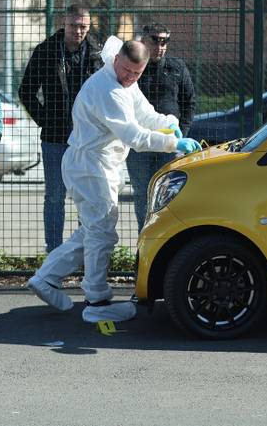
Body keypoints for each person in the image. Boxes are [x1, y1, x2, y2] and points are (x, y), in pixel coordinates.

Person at [27, 37, 202, 323]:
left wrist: (169, 124)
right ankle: (96, 300)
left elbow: (144, 113)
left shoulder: (124, 83)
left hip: (98, 165)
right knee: (102, 233)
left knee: (93, 230)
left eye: (137, 74)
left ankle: (46, 278)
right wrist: (173, 145)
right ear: (117, 59)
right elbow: (134, 135)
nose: (130, 77)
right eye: (127, 71)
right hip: (91, 165)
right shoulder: (108, 90)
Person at [18, 4, 103, 252]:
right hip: (55, 137)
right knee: (55, 196)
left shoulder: (98, 54)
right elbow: (26, 91)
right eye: (74, 25)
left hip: (88, 139)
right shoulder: (45, 51)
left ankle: (85, 248)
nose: (79, 31)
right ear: (64, 24)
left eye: (83, 27)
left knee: (86, 196)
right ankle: (53, 249)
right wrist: (45, 118)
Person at [126, 23, 196, 232]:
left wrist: (181, 133)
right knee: (143, 193)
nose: (160, 45)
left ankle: (166, 240)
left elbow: (189, 102)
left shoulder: (177, 67)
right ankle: (145, 239)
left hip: (170, 144)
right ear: (143, 41)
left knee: (168, 193)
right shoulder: (134, 69)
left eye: (164, 40)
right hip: (140, 143)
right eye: (155, 40)